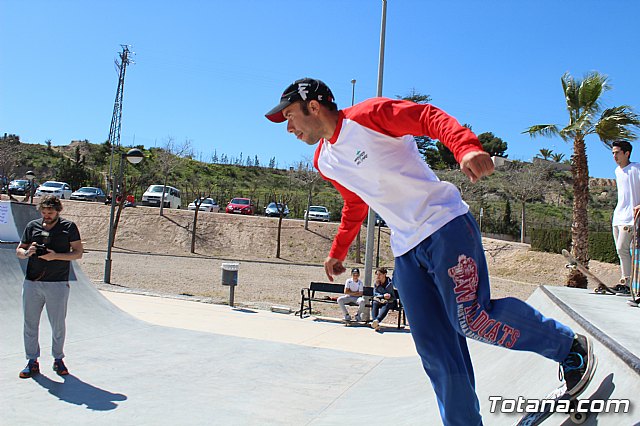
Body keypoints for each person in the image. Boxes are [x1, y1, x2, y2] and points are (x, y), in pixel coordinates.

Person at [266, 78, 596, 425]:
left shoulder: (369, 116)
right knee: (436, 351)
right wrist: (339, 250)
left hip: (445, 226)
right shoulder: (325, 160)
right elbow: (354, 202)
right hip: (406, 250)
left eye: (290, 116)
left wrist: (464, 147)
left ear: (314, 107)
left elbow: (427, 117)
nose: (288, 128)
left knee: (472, 319)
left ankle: (568, 348)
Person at [15, 195, 84, 378]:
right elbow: (19, 250)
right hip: (32, 282)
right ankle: (32, 361)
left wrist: (55, 256)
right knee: (30, 323)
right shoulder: (32, 226)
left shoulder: (68, 227)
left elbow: (78, 253)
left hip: (58, 283)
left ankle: (58, 359)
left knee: (58, 324)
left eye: (50, 212)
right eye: (44, 212)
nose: (46, 215)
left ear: (58, 211)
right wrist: (27, 252)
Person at [611, 140, 640, 295]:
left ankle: (629, 284)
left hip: (630, 217)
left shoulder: (636, 168)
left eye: (617, 152)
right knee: (620, 250)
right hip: (618, 216)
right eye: (613, 153)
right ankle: (625, 282)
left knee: (623, 247)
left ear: (627, 153)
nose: (614, 156)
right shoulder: (617, 171)